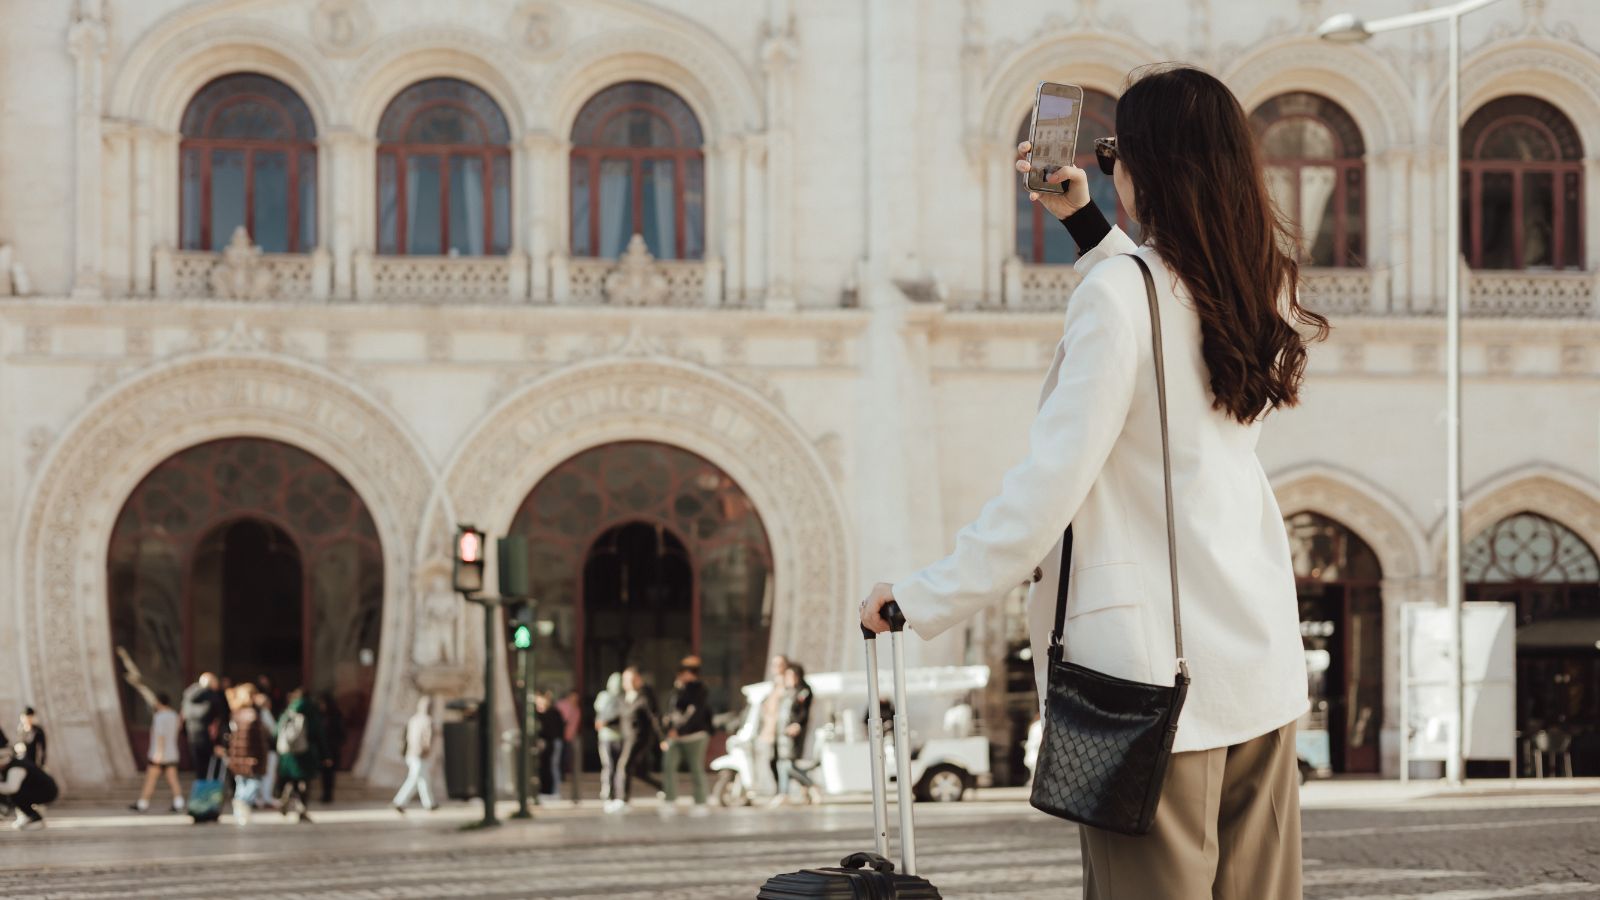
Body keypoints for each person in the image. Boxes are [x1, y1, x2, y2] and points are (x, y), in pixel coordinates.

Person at [862, 64, 1322, 899]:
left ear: (1151, 167)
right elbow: (1169, 309)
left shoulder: (1120, 295)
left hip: (1145, 685)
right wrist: (1087, 227)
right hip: (1259, 665)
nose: (1111, 168)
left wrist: (923, 597)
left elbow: (1049, 487)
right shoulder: (1265, 288)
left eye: (1115, 153)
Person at [659, 656, 713, 816]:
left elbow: (695, 713)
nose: (682, 676)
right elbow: (670, 712)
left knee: (696, 768)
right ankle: (670, 800)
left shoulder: (699, 689)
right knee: (668, 765)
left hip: (695, 736)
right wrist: (667, 731)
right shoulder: (677, 690)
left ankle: (701, 802)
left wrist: (680, 731)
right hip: (675, 737)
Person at [601, 667, 660, 814]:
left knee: (623, 765)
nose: (629, 683)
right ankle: (663, 788)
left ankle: (622, 800)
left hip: (640, 737)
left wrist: (662, 738)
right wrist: (605, 722)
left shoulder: (645, 696)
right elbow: (621, 716)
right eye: (627, 680)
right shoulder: (624, 697)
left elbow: (655, 717)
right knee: (638, 771)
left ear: (638, 679)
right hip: (626, 737)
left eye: (632, 679)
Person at [274, 690, 325, 824]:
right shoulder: (310, 713)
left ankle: (286, 797)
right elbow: (317, 733)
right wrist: (325, 754)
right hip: (304, 753)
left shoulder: (287, 713)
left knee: (290, 780)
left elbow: (276, 732)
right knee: (303, 782)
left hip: (287, 753)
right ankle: (301, 808)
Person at [773, 664, 821, 806]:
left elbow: (803, 712)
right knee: (783, 763)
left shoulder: (803, 692)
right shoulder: (788, 692)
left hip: (793, 733)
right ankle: (786, 792)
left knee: (787, 764)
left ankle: (810, 785)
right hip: (783, 733)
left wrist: (797, 724)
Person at [130, 692, 185, 813]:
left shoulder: (160, 717)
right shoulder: (174, 716)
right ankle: (179, 801)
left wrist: (159, 753)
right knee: (173, 779)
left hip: (160, 754)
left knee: (151, 779)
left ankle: (143, 803)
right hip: (172, 752)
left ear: (159, 702)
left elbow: (160, 736)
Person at [224, 683, 269, 826]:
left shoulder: (235, 713)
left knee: (241, 783)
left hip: (237, 756)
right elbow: (263, 736)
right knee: (253, 783)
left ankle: (240, 814)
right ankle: (242, 804)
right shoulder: (252, 714)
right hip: (251, 756)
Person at [393, 697, 438, 813]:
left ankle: (430, 804)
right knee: (415, 778)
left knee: (423, 779)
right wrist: (427, 751)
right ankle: (399, 801)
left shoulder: (413, 719)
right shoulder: (428, 721)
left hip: (411, 753)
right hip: (419, 755)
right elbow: (428, 740)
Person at [0, 741, 57, 830]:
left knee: (15, 796)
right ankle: (28, 817)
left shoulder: (15, 767)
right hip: (41, 790)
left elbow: (11, 788)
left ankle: (36, 819)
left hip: (47, 792)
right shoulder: (14, 764)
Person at [180, 672, 228, 772]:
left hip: (192, 736)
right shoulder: (213, 696)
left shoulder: (188, 695)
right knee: (213, 770)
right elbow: (222, 715)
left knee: (200, 769)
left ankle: (202, 787)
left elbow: (183, 716)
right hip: (210, 738)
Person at [757, 655, 790, 795]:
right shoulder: (774, 684)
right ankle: (779, 790)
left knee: (783, 760)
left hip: (781, 728)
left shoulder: (787, 682)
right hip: (771, 727)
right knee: (772, 760)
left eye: (779, 664)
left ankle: (783, 791)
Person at [593, 672, 624, 803]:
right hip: (606, 736)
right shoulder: (604, 696)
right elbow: (600, 713)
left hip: (618, 736)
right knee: (609, 765)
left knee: (617, 766)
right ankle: (608, 790)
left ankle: (617, 791)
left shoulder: (623, 698)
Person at [533, 691, 565, 800]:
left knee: (554, 766)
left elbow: (556, 730)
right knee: (545, 766)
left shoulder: (553, 713)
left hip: (554, 742)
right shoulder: (538, 714)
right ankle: (545, 790)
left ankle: (555, 791)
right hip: (546, 743)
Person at [253, 689, 280, 810]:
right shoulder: (264, 713)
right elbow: (274, 730)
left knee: (261, 773)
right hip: (267, 747)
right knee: (268, 773)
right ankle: (265, 797)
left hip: (259, 748)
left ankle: (261, 797)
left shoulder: (255, 714)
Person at [554, 688, 581, 802]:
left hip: (569, 738)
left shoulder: (576, 710)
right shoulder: (561, 705)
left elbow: (574, 726)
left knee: (567, 758)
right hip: (559, 737)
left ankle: (564, 775)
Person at [318, 692, 344, 804]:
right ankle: (325, 794)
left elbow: (341, 734)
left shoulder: (334, 717)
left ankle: (328, 794)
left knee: (329, 774)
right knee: (325, 774)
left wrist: (333, 747)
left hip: (331, 750)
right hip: (324, 750)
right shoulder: (321, 716)